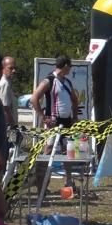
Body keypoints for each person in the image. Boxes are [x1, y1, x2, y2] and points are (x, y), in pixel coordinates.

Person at [29, 55, 82, 188]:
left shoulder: (67, 82)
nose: (70, 69)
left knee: (68, 151)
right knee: (48, 150)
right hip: (53, 121)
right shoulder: (49, 80)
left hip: (67, 121)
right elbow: (34, 99)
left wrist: (75, 117)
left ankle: (68, 181)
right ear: (65, 66)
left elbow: (75, 100)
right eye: (70, 67)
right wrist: (43, 117)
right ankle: (42, 183)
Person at [0, 56, 18, 133]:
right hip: (6, 128)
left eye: (15, 68)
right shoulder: (4, 84)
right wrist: (14, 126)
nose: (14, 71)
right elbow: (5, 109)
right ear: (3, 68)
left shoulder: (7, 82)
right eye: (10, 68)